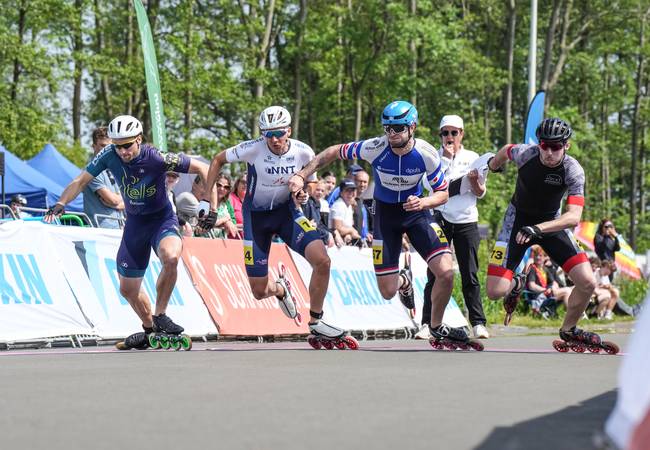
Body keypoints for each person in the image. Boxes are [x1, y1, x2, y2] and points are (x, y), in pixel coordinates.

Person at [289, 100, 473, 348]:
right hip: (386, 217)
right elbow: (333, 151)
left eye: (398, 128)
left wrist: (424, 203)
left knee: (446, 272)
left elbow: (443, 193)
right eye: (388, 128)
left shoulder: (427, 153)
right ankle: (404, 281)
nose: (392, 134)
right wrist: (302, 174)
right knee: (387, 291)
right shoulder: (375, 147)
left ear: (412, 127)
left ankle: (437, 327)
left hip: (416, 212)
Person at [45, 114, 215, 350]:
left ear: (139, 139)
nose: (122, 151)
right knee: (128, 289)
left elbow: (204, 168)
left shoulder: (156, 157)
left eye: (127, 145)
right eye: (117, 146)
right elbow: (80, 181)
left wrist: (209, 203)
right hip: (135, 224)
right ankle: (150, 329)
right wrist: (61, 204)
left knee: (171, 257)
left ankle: (161, 315)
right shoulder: (108, 155)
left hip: (161, 220)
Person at [200, 106, 352, 343]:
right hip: (256, 219)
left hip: (286, 214)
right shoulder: (253, 149)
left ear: (288, 131)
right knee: (259, 292)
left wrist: (301, 194)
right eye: (267, 134)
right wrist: (208, 201)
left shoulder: (303, 152)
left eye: (279, 133)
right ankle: (280, 289)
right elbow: (218, 159)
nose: (273, 139)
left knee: (322, 260)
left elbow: (309, 185)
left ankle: (316, 320)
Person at [485, 117, 602, 348]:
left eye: (556, 146)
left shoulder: (573, 170)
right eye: (544, 145)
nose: (549, 152)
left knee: (588, 282)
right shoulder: (526, 154)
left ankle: (569, 329)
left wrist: (538, 229)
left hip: (550, 224)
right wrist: (492, 167)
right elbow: (506, 150)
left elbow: (573, 217)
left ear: (566, 145)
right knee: (494, 291)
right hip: (516, 222)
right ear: (538, 144)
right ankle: (517, 283)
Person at [418, 115, 489, 340]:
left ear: (462, 134)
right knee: (435, 272)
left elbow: (480, 192)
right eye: (445, 133)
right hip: (440, 217)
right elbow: (431, 186)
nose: (449, 137)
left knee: (470, 273)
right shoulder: (433, 157)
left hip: (466, 220)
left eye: (453, 133)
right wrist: (448, 162)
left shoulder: (473, 157)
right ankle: (426, 324)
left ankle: (478, 323)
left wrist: (476, 181)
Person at [82, 127, 125, 228]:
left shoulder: (115, 167)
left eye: (109, 147)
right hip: (102, 228)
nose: (106, 150)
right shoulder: (91, 171)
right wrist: (121, 200)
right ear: (93, 146)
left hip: (120, 225)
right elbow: (112, 200)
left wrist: (122, 203)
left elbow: (132, 198)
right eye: (102, 146)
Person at [199, 173, 238, 239]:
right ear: (213, 186)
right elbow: (205, 224)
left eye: (226, 187)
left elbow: (233, 224)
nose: (222, 189)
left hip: (222, 242)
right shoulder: (205, 201)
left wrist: (228, 222)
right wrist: (225, 220)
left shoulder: (227, 204)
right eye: (219, 185)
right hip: (204, 241)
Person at [329, 179, 361, 245]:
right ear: (341, 193)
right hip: (334, 245)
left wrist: (349, 234)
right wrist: (352, 231)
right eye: (347, 190)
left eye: (353, 190)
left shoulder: (348, 205)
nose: (351, 193)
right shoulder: (339, 205)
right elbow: (338, 229)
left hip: (343, 244)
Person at [353, 169, 373, 245]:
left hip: (365, 243)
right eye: (360, 181)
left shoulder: (362, 201)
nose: (362, 184)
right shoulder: (348, 199)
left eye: (365, 182)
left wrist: (368, 233)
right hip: (353, 243)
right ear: (354, 181)